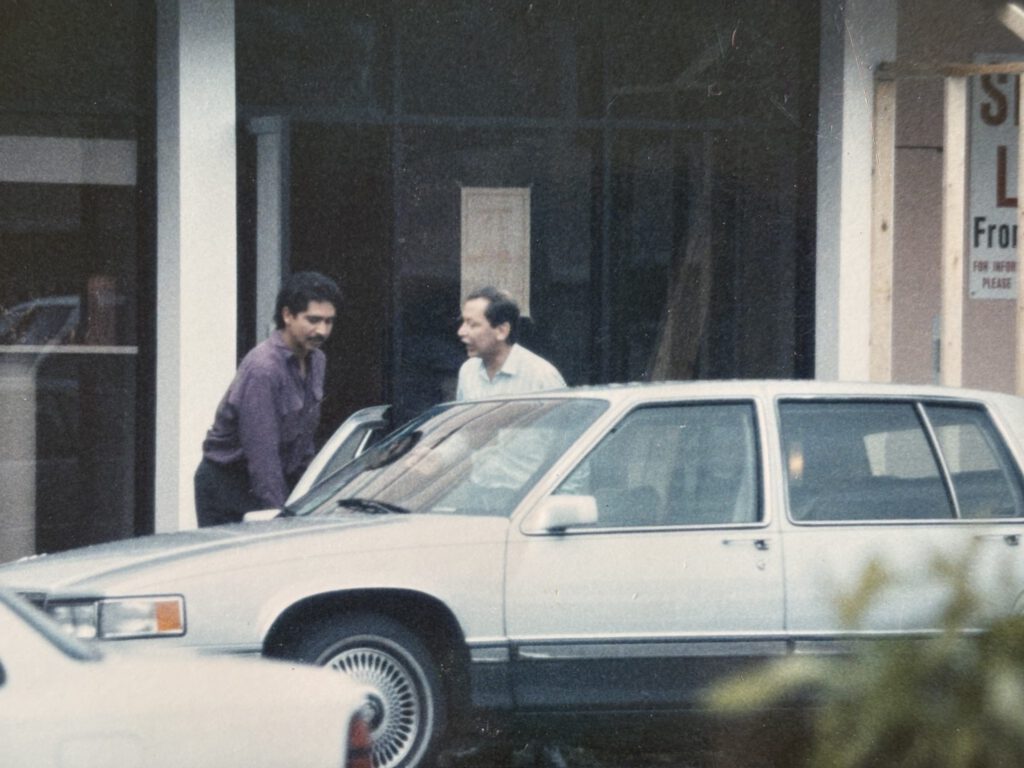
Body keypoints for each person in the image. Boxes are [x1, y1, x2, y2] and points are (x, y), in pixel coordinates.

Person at [194, 271, 342, 526]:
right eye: (313, 320)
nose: (322, 330)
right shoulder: (264, 368)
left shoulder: (317, 360)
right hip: (229, 486)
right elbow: (262, 454)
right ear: (287, 315)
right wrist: (280, 518)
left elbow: (303, 444)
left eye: (329, 321)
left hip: (273, 481)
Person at [455, 286, 565, 400]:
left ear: (502, 331)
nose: (461, 332)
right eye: (463, 323)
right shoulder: (468, 370)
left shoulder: (541, 377)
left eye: (473, 324)